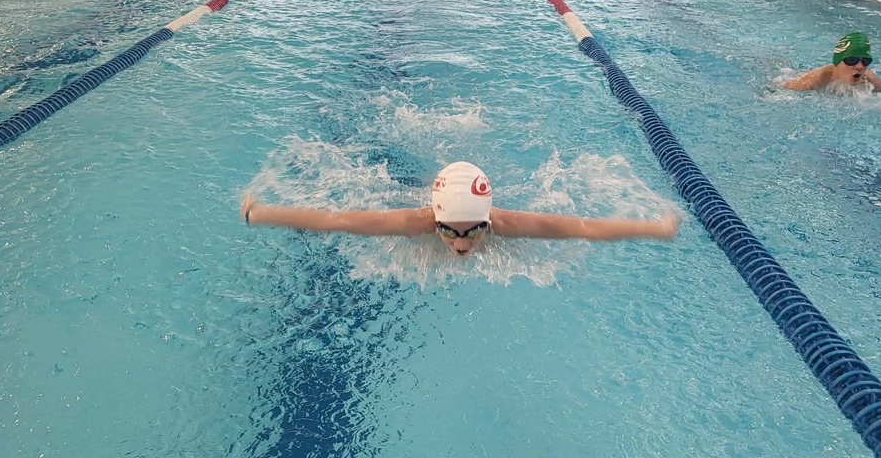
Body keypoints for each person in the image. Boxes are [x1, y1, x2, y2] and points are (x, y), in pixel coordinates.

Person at [239, 161, 680, 258]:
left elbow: (582, 228)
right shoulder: (414, 223)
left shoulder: (506, 224)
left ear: (489, 219)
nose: (462, 243)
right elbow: (335, 221)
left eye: (475, 230)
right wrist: (261, 213)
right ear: (435, 218)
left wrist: (656, 229)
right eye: (449, 230)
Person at [782, 32, 881, 91]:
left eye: (865, 61)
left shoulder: (869, 80)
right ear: (837, 61)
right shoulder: (815, 79)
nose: (860, 66)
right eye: (851, 60)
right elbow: (780, 88)